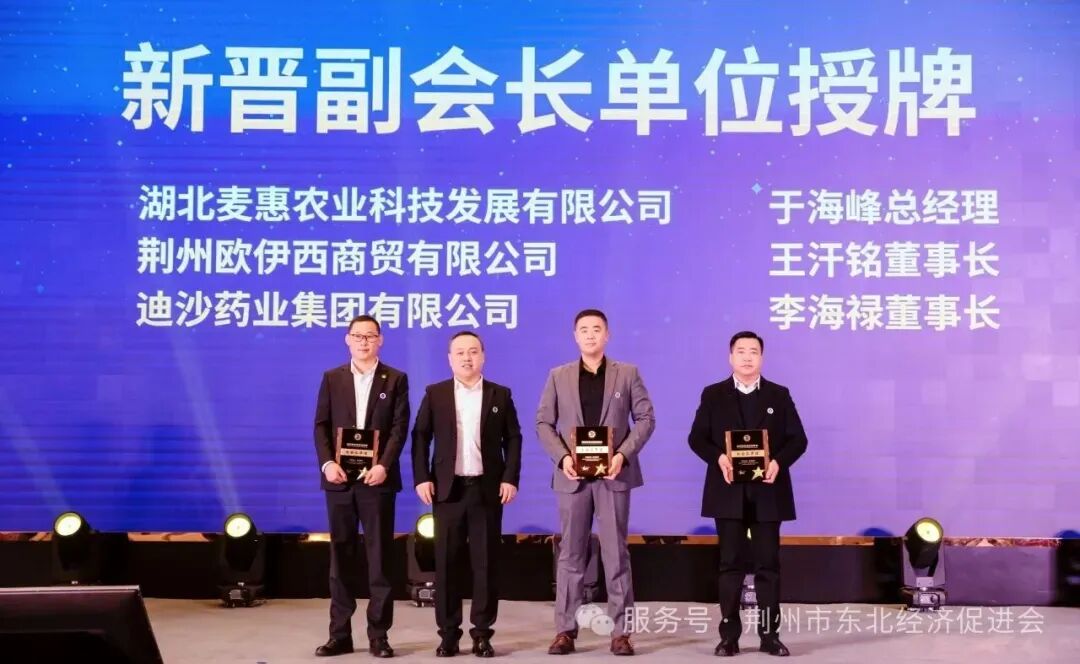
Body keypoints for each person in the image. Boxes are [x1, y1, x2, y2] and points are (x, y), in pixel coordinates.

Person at [536, 309, 656, 656]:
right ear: (575, 336)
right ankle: (565, 631)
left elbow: (646, 418)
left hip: (613, 476)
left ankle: (621, 633)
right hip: (572, 477)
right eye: (584, 330)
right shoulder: (558, 376)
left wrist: (623, 455)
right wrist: (563, 458)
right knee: (571, 555)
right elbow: (543, 422)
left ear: (607, 335)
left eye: (596, 329)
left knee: (615, 553)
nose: (590, 335)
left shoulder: (627, 373)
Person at [687, 331, 808, 657]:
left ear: (761, 358)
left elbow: (799, 440)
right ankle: (729, 637)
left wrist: (778, 462)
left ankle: (770, 636)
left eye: (753, 351)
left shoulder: (779, 395)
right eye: (740, 351)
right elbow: (696, 438)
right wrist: (719, 458)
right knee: (730, 565)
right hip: (728, 492)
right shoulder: (713, 394)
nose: (747, 357)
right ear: (731, 357)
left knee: (768, 566)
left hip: (768, 493)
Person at [412, 330, 523, 658]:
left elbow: (513, 438)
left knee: (485, 564)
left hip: (486, 490)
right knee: (446, 564)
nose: (466, 357)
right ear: (450, 359)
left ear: (483, 356)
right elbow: (420, 437)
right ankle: (448, 634)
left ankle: (482, 633)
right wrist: (422, 478)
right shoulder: (436, 393)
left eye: (473, 351)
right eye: (459, 352)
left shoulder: (500, 394)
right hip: (448, 490)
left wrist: (510, 478)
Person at [312, 315, 410, 658]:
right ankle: (339, 634)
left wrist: (384, 465)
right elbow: (321, 425)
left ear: (380, 340)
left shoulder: (395, 379)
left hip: (377, 482)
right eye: (358, 336)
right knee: (340, 559)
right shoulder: (332, 378)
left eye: (370, 336)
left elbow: (399, 428)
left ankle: (379, 636)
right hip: (339, 481)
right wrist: (328, 464)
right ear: (347, 339)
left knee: (380, 559)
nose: (364, 341)